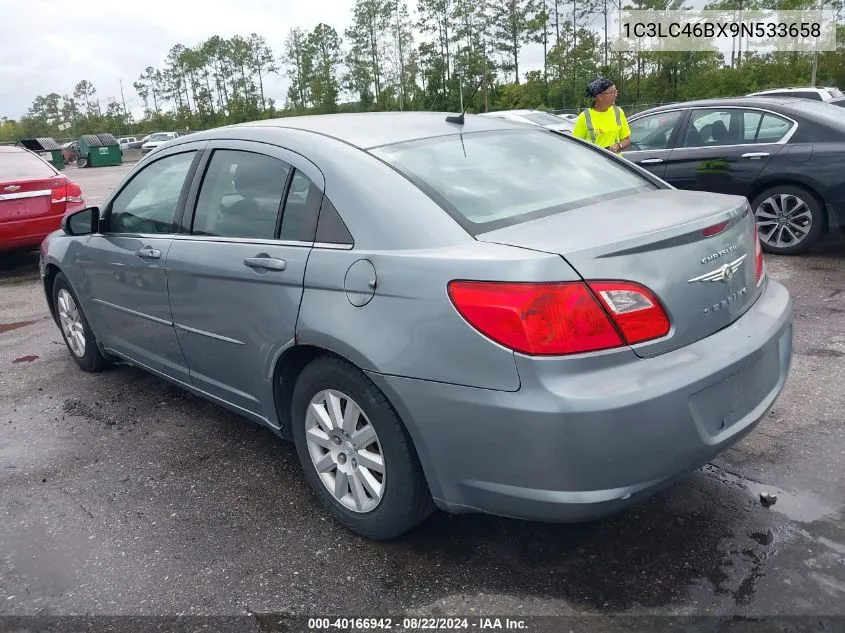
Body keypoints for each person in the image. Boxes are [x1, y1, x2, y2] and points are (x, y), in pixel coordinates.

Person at [572, 78, 632, 156]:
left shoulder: (618, 112)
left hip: (615, 164)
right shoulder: (585, 116)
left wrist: (618, 146)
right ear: (600, 96)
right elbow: (575, 145)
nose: (615, 95)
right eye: (612, 92)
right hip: (595, 165)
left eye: (616, 92)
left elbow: (627, 140)